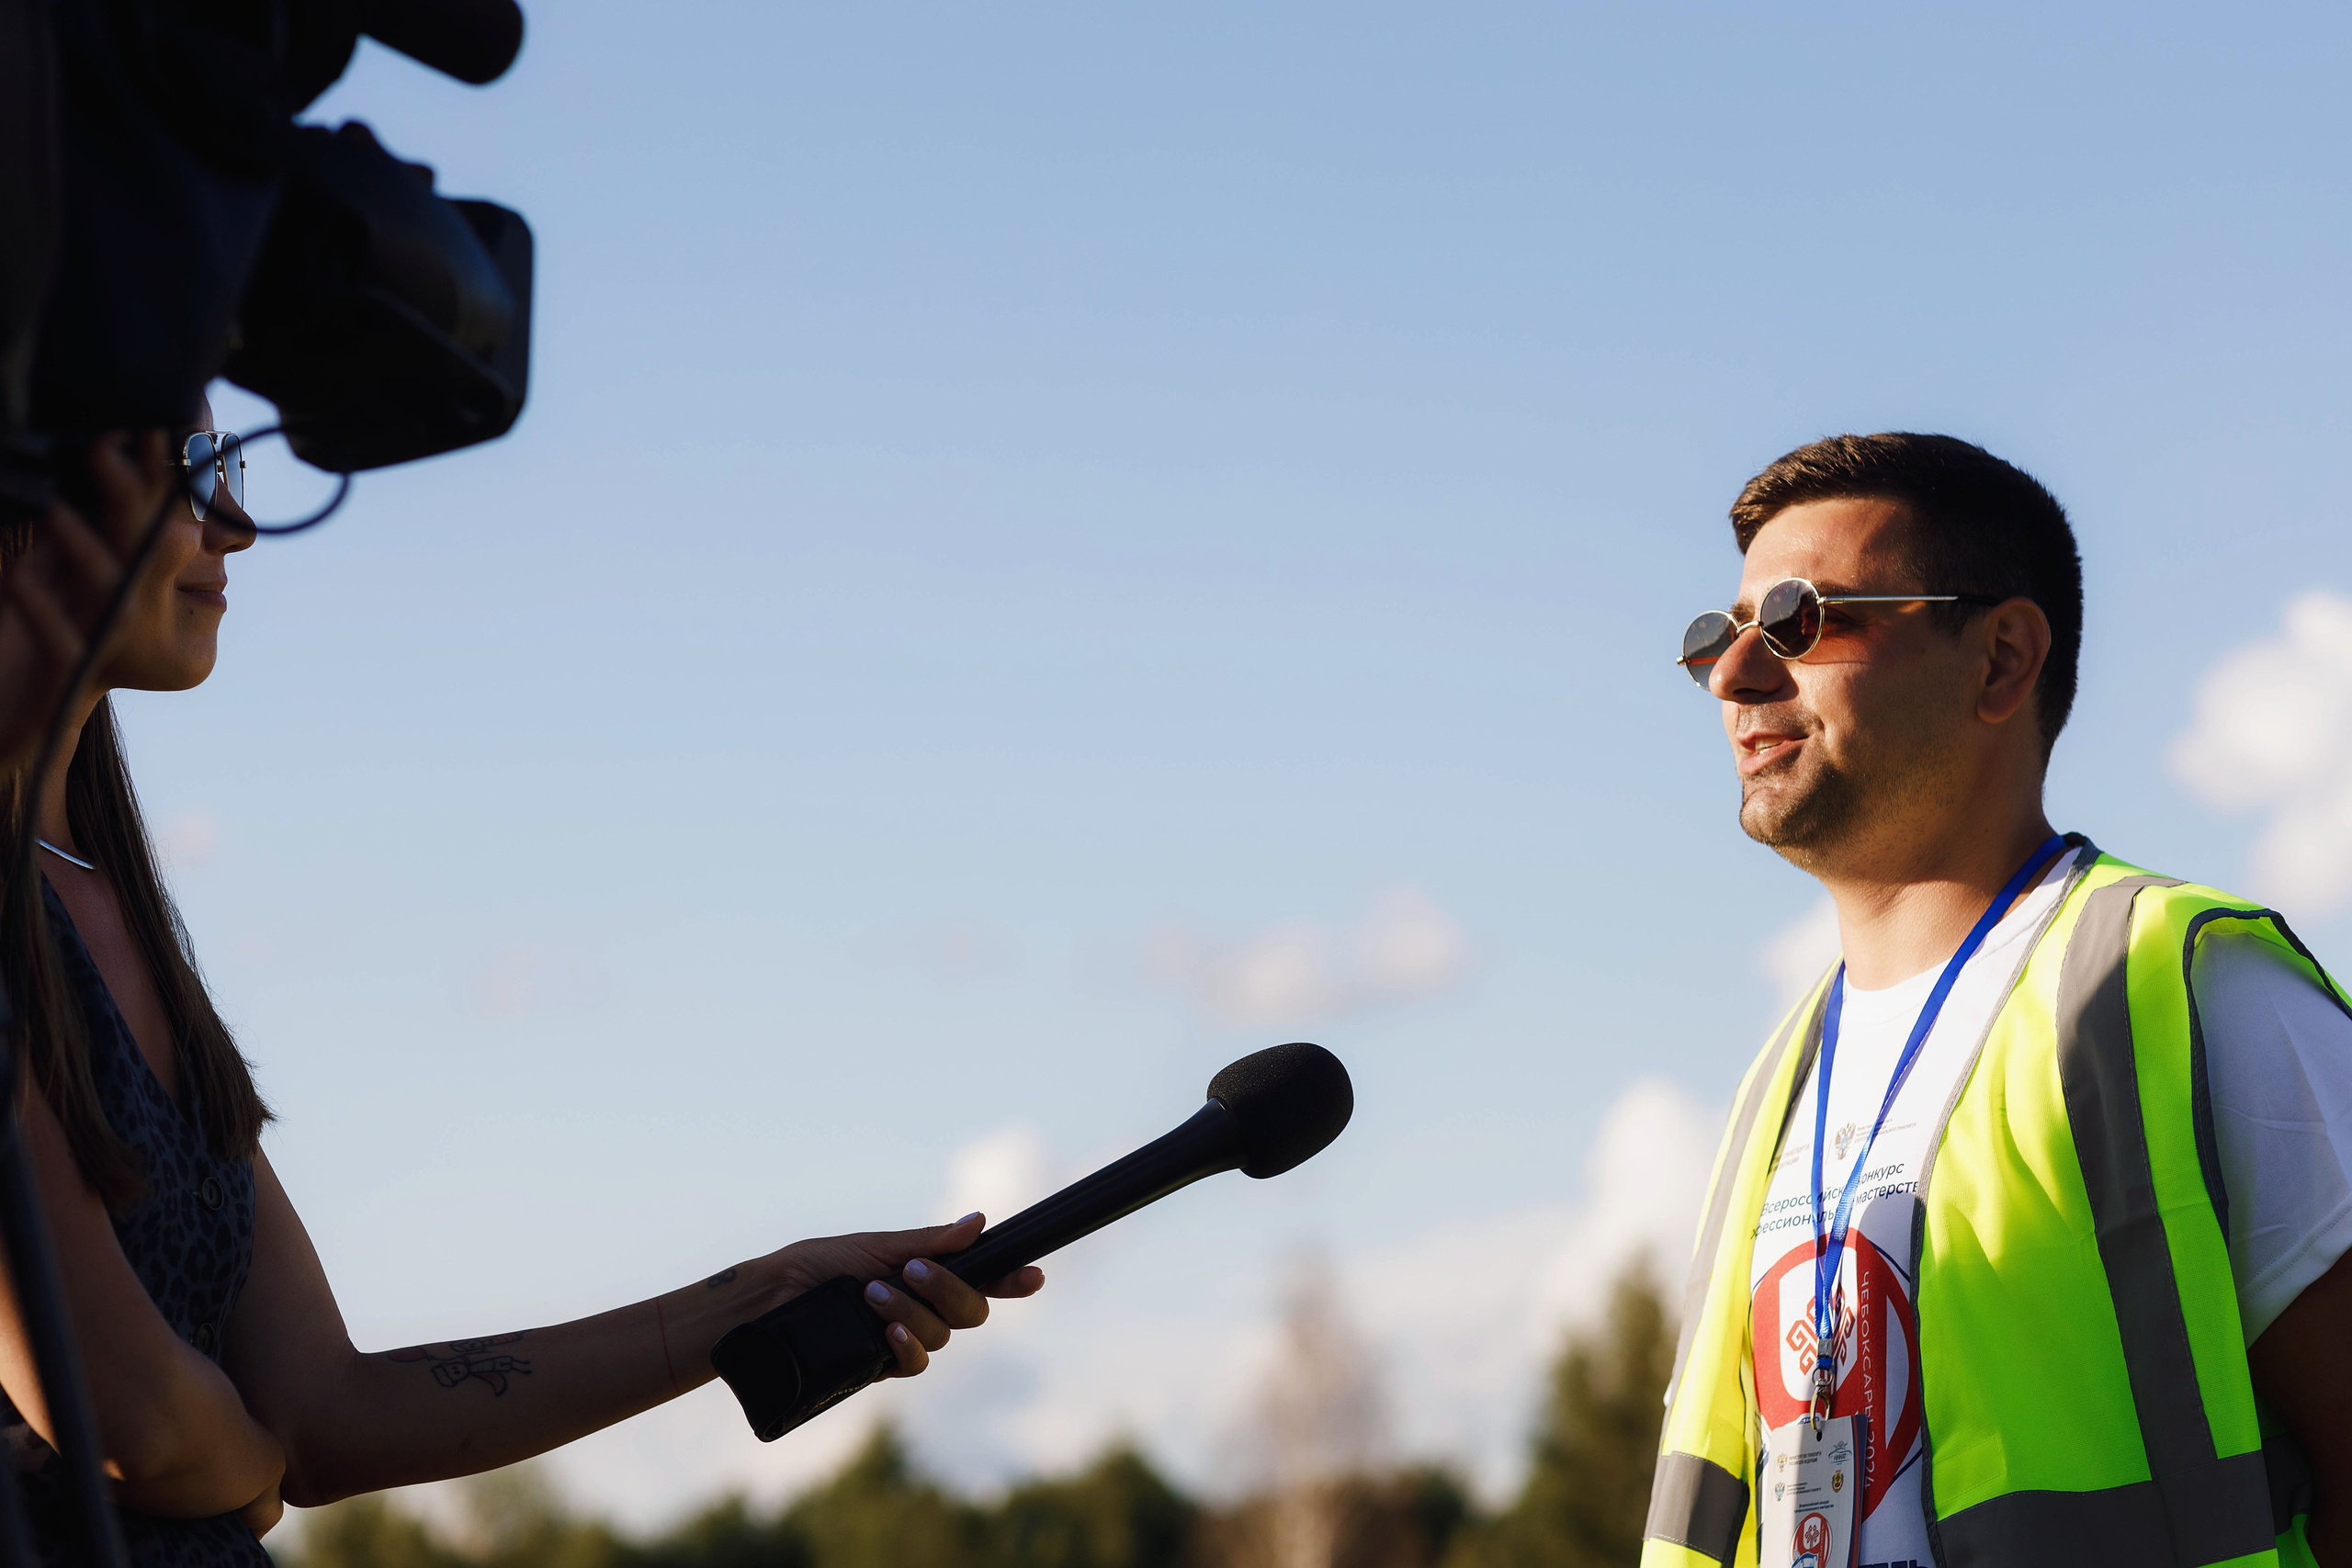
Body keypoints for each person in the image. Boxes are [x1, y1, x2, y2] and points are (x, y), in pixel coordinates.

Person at [0, 410, 1046, 1565]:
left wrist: (755, 1297)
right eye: (191, 474)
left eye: (228, 469)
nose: (238, 527)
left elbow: (325, 1411)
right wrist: (242, 1471)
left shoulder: (115, 913)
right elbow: (130, 1421)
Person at [1642, 434, 2352, 1568]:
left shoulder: (2181, 992)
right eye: (1717, 636)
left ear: (2001, 660)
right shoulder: (1772, 1091)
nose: (1734, 674)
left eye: (1798, 618)